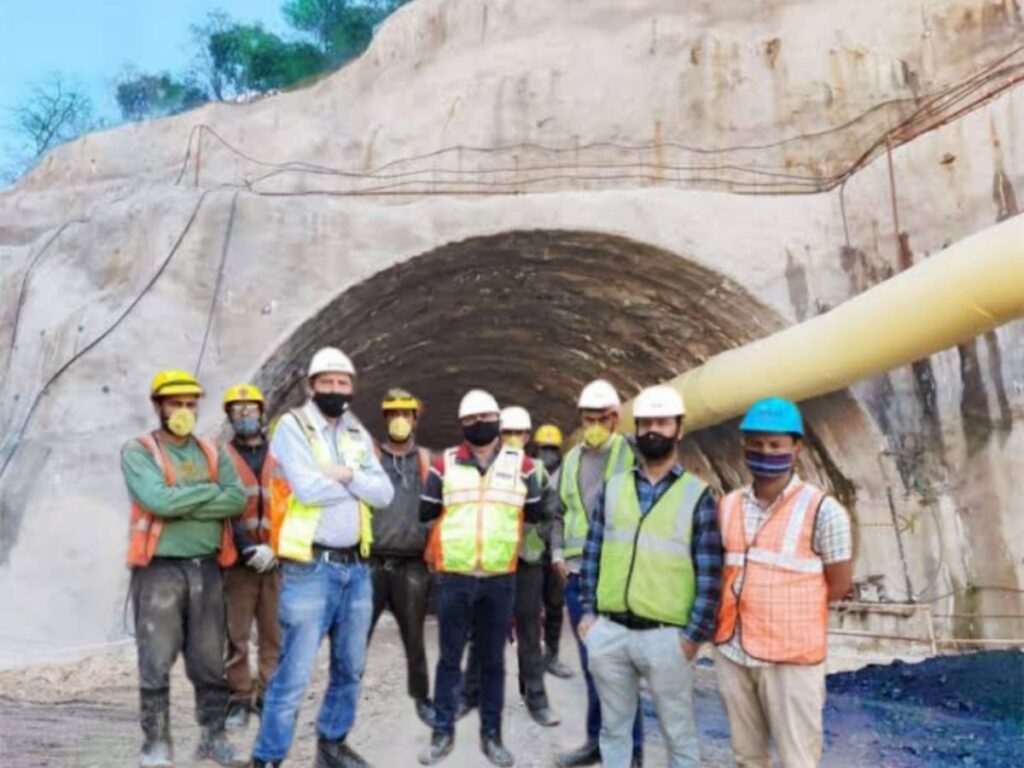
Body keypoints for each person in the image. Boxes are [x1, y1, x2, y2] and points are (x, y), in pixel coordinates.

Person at [251, 348, 394, 768]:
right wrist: (357, 482)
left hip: (357, 569)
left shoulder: (355, 433)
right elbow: (307, 490)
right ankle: (268, 757)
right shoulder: (292, 428)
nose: (335, 390)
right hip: (310, 569)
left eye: (343, 383)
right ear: (312, 385)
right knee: (294, 674)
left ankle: (331, 746)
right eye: (327, 382)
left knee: (350, 668)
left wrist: (346, 475)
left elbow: (384, 494)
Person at [579, 385, 722, 768]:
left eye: (662, 422)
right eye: (646, 424)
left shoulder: (698, 495)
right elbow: (593, 553)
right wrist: (589, 616)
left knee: (678, 734)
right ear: (635, 430)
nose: (653, 430)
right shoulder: (614, 488)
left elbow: (710, 573)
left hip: (667, 637)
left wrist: (693, 637)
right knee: (614, 731)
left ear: (679, 428)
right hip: (610, 632)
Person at [713, 397, 853, 768]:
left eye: (775, 445)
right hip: (732, 649)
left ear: (796, 448)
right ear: (744, 447)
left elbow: (838, 585)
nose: (765, 452)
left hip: (791, 661)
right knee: (747, 757)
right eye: (756, 444)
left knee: (798, 760)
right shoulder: (726, 506)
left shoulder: (825, 511)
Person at [121, 369, 248, 767]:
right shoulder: (140, 451)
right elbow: (157, 501)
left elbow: (236, 499)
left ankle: (213, 738)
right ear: (158, 406)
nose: (183, 411)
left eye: (190, 405)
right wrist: (208, 492)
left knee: (210, 661)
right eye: (175, 404)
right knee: (155, 659)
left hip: (207, 569)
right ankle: (155, 744)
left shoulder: (213, 451)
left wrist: (184, 497)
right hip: (159, 572)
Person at [418, 390, 547, 767]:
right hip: (455, 576)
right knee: (449, 660)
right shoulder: (443, 466)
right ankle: (442, 732)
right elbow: (426, 511)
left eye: (486, 417)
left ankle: (492, 737)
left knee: (493, 661)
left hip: (498, 577)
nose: (480, 424)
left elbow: (536, 513)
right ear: (462, 425)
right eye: (472, 420)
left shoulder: (522, 467)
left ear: (498, 420)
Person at [552, 380, 643, 768]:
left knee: (621, 668)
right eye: (586, 419)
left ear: (614, 418)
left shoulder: (634, 454)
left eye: (598, 419)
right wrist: (556, 553)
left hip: (620, 579)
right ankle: (597, 743)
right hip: (577, 578)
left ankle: (632, 752)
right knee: (593, 665)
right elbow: (555, 513)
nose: (591, 427)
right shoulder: (570, 461)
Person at [367, 388, 436, 727]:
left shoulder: (427, 461)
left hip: (413, 562)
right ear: (386, 419)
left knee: (414, 635)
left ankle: (422, 697)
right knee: (355, 636)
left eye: (405, 414)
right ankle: (344, 699)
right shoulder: (370, 458)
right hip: (372, 561)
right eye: (393, 413)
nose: (399, 420)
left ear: (414, 419)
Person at [220, 384, 281, 731]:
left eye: (251, 409)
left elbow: (292, 506)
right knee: (236, 634)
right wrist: (246, 547)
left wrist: (276, 547)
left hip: (275, 560)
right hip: (239, 563)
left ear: (262, 413)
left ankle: (268, 695)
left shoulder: (282, 457)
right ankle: (239, 698)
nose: (245, 416)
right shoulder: (221, 457)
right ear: (230, 417)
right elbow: (220, 508)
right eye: (238, 411)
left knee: (274, 633)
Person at [503, 407, 561, 726]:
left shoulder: (536, 471)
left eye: (518, 433)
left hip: (526, 561)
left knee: (528, 627)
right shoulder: (482, 469)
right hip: (493, 561)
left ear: (527, 437)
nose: (513, 439)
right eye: (506, 433)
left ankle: (534, 696)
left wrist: (534, 536)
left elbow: (550, 513)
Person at [532, 423, 573, 679]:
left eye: (551, 449)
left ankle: (552, 656)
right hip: (532, 549)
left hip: (558, 547)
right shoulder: (529, 472)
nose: (547, 454)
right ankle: (532, 656)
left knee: (555, 605)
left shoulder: (568, 473)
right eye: (543, 449)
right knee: (529, 606)